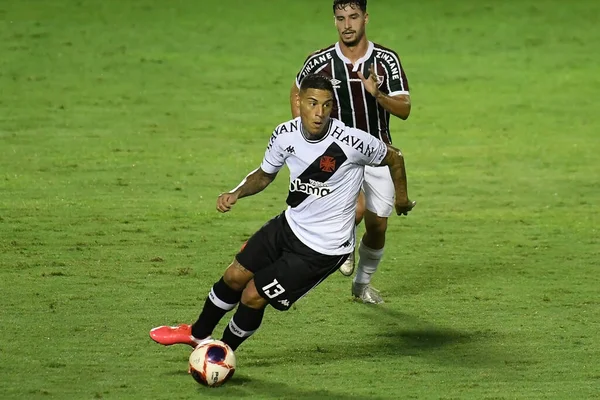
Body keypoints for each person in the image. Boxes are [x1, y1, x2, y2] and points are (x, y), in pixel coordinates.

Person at [149, 74, 415, 352]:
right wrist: (236, 192)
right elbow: (264, 175)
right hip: (289, 226)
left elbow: (395, 157)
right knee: (234, 277)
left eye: (326, 105)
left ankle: (220, 352)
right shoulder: (285, 134)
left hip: (323, 249)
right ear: (298, 102)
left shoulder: (352, 142)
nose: (319, 113)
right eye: (312, 103)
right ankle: (198, 335)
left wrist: (401, 200)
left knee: (252, 296)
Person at [290, 0, 411, 304]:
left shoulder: (385, 60)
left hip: (377, 151)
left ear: (365, 18)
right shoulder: (320, 61)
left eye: (353, 17)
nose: (347, 25)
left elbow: (405, 109)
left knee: (378, 225)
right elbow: (297, 91)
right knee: (353, 209)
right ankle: (343, 243)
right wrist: (304, 131)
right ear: (335, 22)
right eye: (341, 18)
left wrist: (377, 95)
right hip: (339, 153)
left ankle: (361, 285)